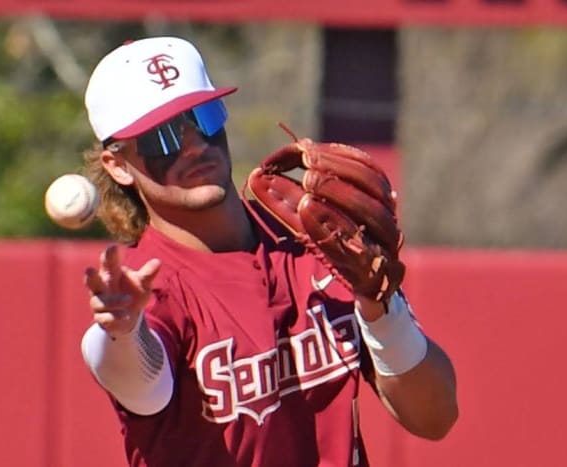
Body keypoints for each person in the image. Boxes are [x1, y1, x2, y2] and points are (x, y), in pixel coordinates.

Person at [80, 36, 458, 467]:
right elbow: (138, 381)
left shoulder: (314, 237)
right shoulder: (149, 289)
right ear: (117, 165)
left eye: (202, 117)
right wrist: (124, 333)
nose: (193, 144)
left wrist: (381, 308)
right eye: (160, 137)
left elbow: (436, 418)